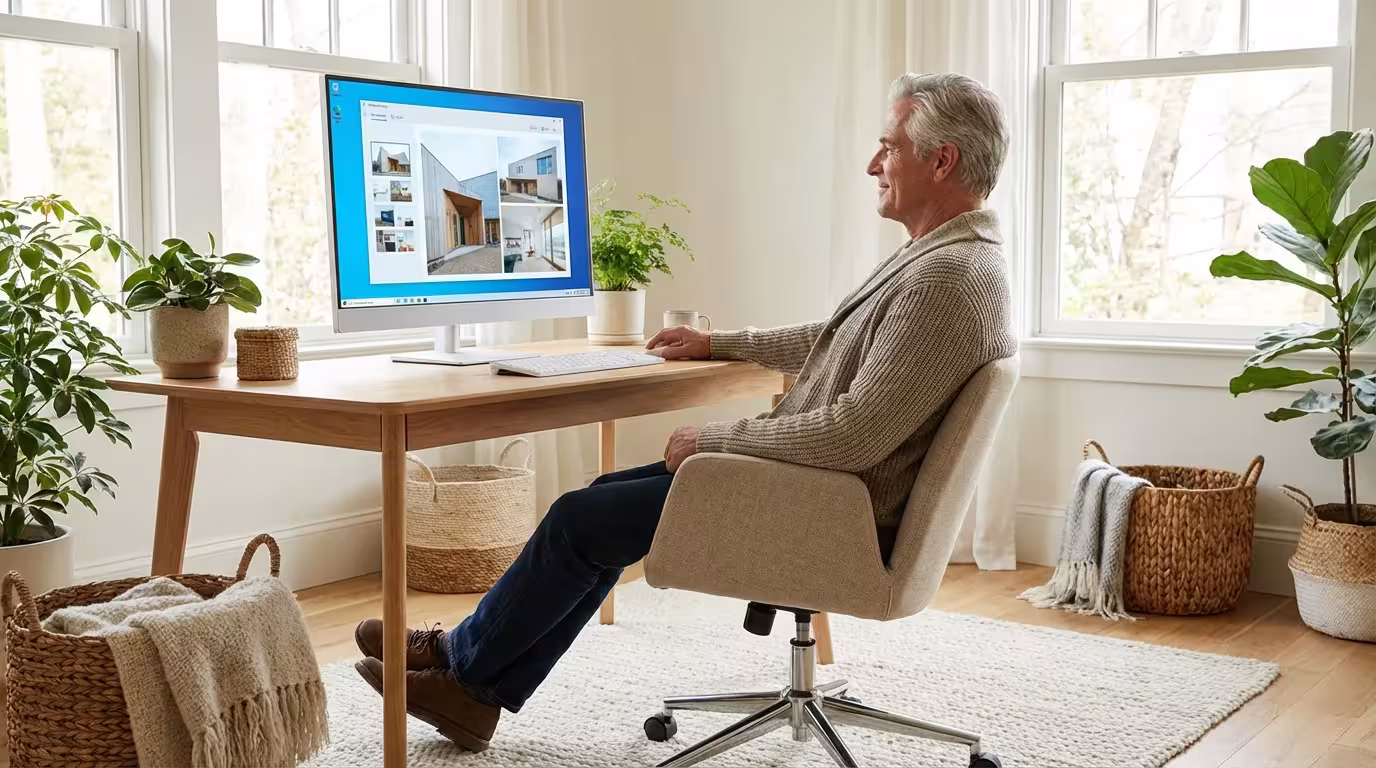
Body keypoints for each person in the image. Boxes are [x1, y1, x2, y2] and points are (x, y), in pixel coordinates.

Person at [352, 72, 1017, 752]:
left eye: (889, 146)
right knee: (601, 503)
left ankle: (466, 683)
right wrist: (721, 342)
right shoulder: (948, 261)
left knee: (580, 523)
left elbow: (852, 435)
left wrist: (715, 440)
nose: (874, 164)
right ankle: (467, 667)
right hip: (824, 493)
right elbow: (840, 336)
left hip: (832, 513)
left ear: (942, 160)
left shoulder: (947, 278)